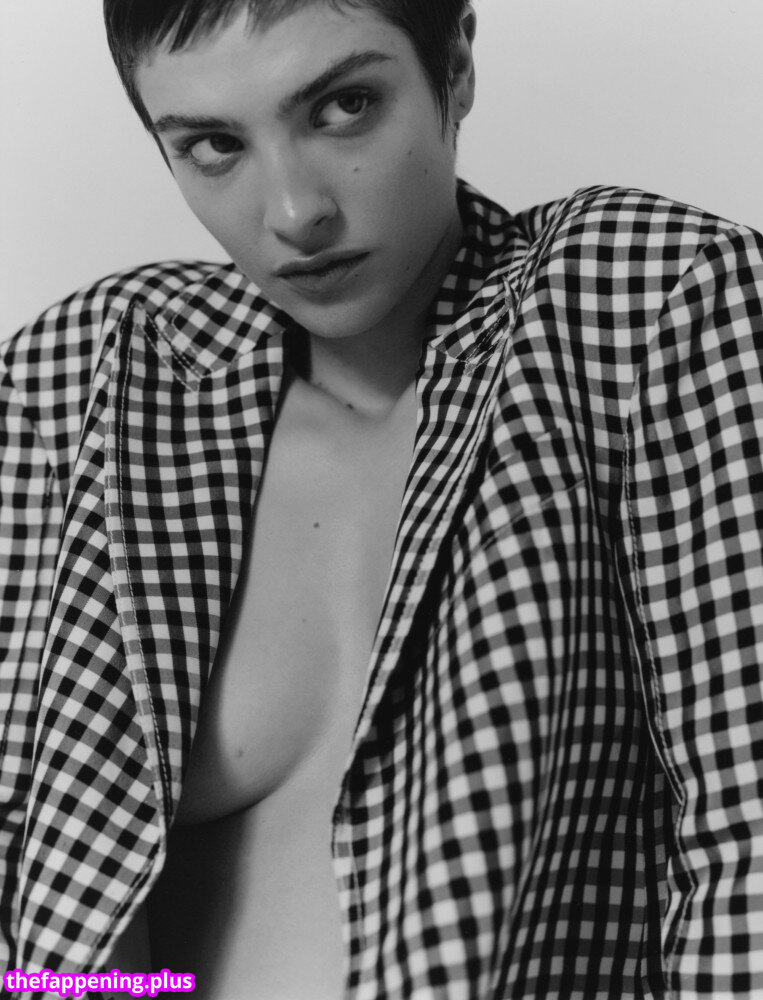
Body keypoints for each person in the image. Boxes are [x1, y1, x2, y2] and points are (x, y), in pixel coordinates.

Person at [1, 0, 762, 997]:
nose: (293, 211)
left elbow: (747, 839)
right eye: (214, 145)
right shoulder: (89, 377)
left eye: (344, 106)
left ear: (456, 65)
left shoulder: (635, 303)